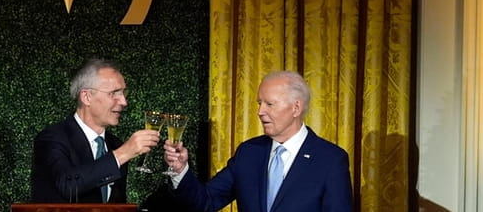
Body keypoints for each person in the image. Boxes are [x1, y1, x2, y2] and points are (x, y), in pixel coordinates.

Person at [163, 70, 353, 212]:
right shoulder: (249, 152)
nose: (260, 112)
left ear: (296, 108)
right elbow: (206, 201)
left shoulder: (330, 159)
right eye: (259, 103)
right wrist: (181, 170)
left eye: (269, 104)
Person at [32, 58, 160, 203]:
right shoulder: (51, 139)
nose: (124, 102)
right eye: (114, 93)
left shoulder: (115, 144)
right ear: (87, 97)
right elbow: (68, 186)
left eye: (124, 93)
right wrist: (124, 153)